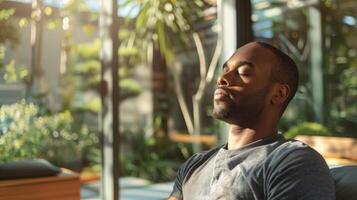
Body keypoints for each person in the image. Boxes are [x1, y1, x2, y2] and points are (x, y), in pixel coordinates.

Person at [168, 41, 335, 200]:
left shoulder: (294, 163)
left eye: (244, 72)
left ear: (278, 94)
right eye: (225, 69)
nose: (222, 79)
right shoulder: (195, 164)